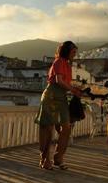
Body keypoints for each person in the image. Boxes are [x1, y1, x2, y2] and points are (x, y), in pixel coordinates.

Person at [35, 41, 82, 170]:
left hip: (61, 97)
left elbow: (65, 83)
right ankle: (44, 159)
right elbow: (58, 80)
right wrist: (73, 90)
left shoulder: (67, 65)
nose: (74, 55)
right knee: (47, 129)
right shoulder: (59, 62)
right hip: (51, 96)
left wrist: (75, 88)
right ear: (66, 51)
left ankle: (58, 157)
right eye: (73, 52)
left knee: (66, 127)